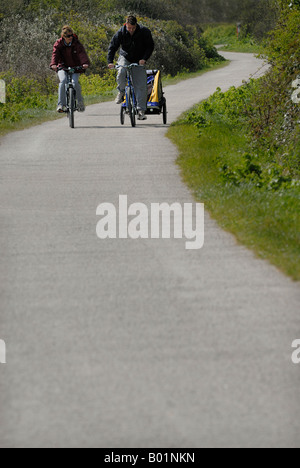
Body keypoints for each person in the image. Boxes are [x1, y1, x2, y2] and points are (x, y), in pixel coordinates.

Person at [108, 15, 155, 120]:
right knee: (121, 71)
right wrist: (110, 61)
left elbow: (150, 46)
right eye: (129, 28)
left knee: (141, 85)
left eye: (133, 28)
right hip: (125, 56)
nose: (131, 30)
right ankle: (121, 91)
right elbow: (112, 46)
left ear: (136, 25)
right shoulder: (121, 32)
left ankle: (141, 111)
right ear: (126, 24)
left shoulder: (144, 32)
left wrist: (144, 58)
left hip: (139, 59)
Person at [50, 25, 90, 113]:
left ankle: (80, 103)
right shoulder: (58, 44)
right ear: (63, 37)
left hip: (76, 67)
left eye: (71, 35)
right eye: (68, 36)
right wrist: (53, 64)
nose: (71, 37)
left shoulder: (76, 43)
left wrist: (84, 63)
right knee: (63, 81)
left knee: (75, 83)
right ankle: (61, 105)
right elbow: (55, 54)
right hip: (62, 67)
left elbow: (81, 53)